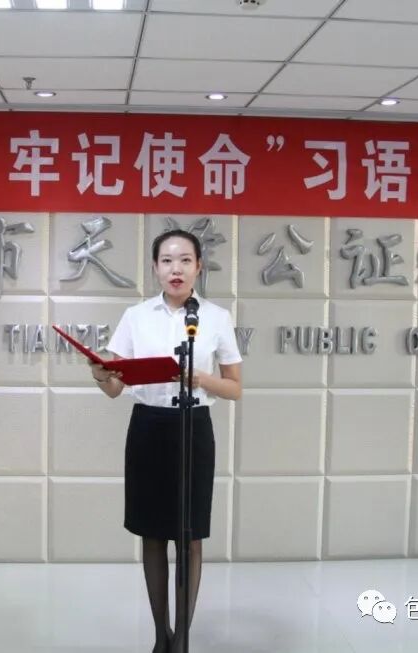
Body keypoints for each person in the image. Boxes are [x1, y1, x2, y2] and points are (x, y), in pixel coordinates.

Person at [89, 228, 243, 653]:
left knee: (189, 535)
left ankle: (183, 639)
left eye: (185, 260)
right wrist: (100, 374)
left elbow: (234, 388)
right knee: (152, 534)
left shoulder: (216, 317)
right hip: (148, 428)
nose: (176, 268)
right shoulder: (136, 317)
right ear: (155, 267)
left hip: (194, 428)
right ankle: (161, 635)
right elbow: (115, 388)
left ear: (199, 267)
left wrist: (200, 379)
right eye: (168, 260)